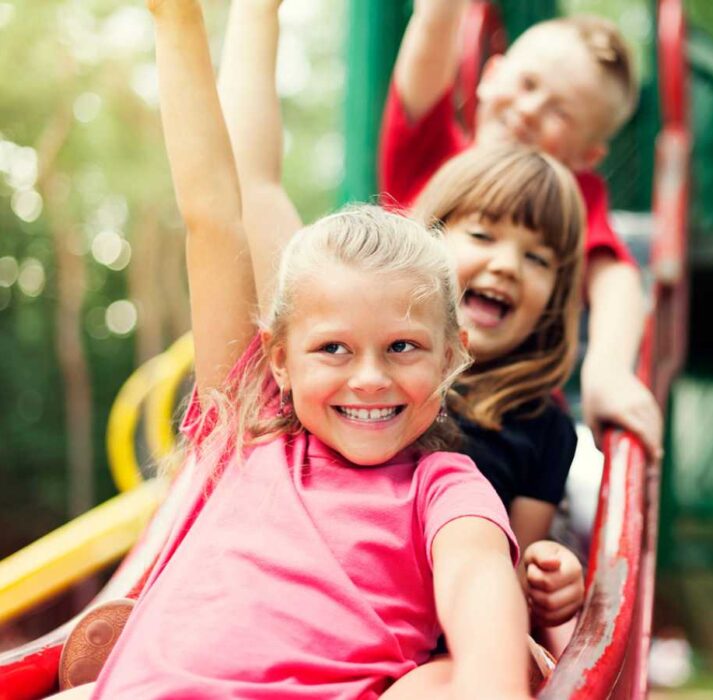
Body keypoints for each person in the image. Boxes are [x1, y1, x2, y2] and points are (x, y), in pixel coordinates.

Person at [58, 1, 532, 698]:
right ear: (279, 358)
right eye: (333, 349)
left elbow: (476, 581)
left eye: (402, 346)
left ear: (452, 354)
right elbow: (214, 216)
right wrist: (175, 24)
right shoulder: (245, 437)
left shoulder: (444, 488)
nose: (369, 378)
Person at [217, 0, 586, 640]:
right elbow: (252, 188)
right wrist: (256, 16)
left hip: (422, 644)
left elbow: (511, 573)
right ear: (432, 239)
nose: (507, 265)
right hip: (295, 620)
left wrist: (549, 580)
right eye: (482, 234)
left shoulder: (539, 424)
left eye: (537, 258)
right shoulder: (334, 345)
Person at [380, 1, 663, 461]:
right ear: (490, 76)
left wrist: (608, 371)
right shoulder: (432, 152)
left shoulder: (566, 201)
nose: (530, 110)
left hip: (501, 423)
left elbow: (617, 279)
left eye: (561, 113)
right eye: (528, 84)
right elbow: (431, 35)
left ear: (585, 157)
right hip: (387, 384)